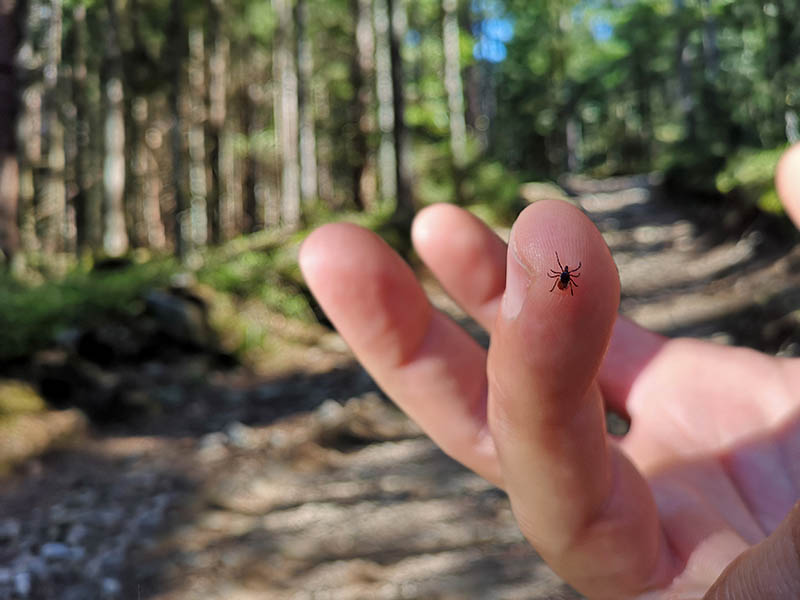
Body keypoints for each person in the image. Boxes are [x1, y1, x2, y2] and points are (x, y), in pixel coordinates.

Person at [299, 144, 800, 600]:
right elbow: (568, 275)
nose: (563, 275)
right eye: (563, 273)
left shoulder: (566, 276)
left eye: (563, 272)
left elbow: (569, 275)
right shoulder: (565, 276)